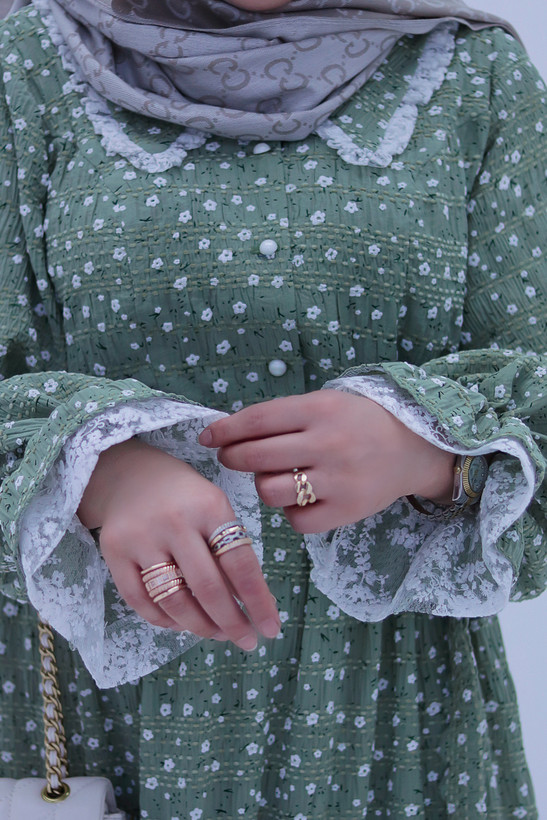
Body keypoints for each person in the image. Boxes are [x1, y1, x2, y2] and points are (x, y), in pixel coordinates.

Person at [0, 0, 545, 817]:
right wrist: (94, 471)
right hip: (93, 727)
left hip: (396, 733)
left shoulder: (475, 78)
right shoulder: (26, 65)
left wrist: (431, 449)